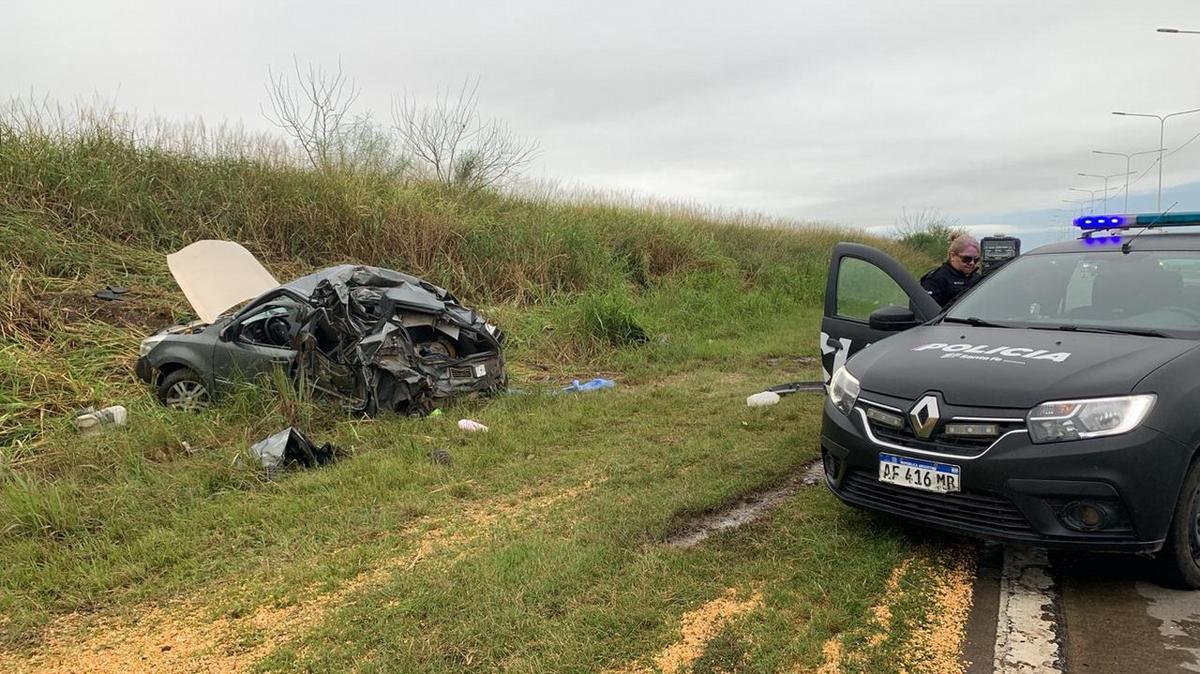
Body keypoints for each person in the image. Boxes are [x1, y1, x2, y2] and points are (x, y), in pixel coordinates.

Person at [920, 234, 981, 307]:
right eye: (967, 259)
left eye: (976, 259)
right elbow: (927, 310)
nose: (972, 263)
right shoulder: (936, 279)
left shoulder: (978, 278)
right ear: (952, 256)